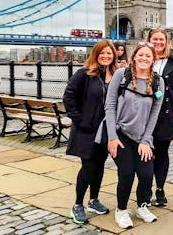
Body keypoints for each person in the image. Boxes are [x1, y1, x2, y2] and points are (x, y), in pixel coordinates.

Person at [95, 42, 165, 229]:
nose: (144, 58)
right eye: (140, 55)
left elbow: (154, 114)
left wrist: (146, 140)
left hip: (142, 136)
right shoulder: (121, 75)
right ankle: (121, 210)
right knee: (126, 173)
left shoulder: (158, 82)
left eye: (148, 56)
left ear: (153, 60)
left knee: (146, 174)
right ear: (134, 57)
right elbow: (109, 106)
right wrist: (112, 137)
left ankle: (142, 206)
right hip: (120, 133)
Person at [63, 40, 117, 224]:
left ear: (114, 56)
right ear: (96, 54)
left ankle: (93, 200)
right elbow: (68, 97)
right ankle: (77, 205)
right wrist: (80, 120)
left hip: (106, 130)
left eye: (109, 53)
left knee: (100, 166)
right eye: (102, 53)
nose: (106, 56)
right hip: (87, 130)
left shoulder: (116, 75)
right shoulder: (84, 74)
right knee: (88, 166)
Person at [146, 29, 173, 207]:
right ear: (149, 40)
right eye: (154, 39)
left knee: (162, 154)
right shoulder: (142, 59)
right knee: (145, 155)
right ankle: (145, 189)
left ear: (166, 41)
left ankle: (160, 189)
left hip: (167, 116)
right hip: (144, 116)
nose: (158, 42)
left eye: (161, 39)